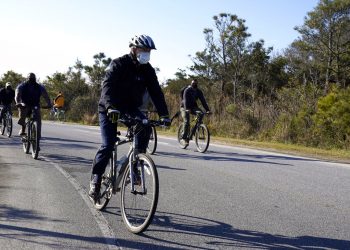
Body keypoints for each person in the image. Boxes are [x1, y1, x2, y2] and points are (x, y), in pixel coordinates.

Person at [89, 34, 171, 200]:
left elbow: (156, 92)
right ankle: (96, 180)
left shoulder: (148, 70)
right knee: (108, 144)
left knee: (146, 126)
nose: (147, 53)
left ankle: (135, 164)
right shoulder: (118, 64)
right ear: (134, 49)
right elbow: (107, 87)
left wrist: (164, 114)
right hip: (109, 107)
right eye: (144, 49)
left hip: (130, 108)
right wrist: (111, 107)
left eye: (149, 51)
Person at [15, 73, 52, 139]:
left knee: (38, 120)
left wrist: (49, 104)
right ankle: (23, 130)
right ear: (27, 79)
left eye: (33, 79)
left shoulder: (39, 87)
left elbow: (46, 96)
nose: (31, 80)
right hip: (25, 104)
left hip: (35, 104)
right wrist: (18, 103)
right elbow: (17, 95)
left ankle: (38, 137)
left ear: (35, 79)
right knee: (23, 114)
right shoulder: (22, 86)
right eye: (30, 79)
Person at [180, 79, 210, 145]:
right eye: (193, 83)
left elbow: (203, 101)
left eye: (196, 83)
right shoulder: (187, 90)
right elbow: (185, 100)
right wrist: (186, 109)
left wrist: (207, 110)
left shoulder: (198, 91)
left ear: (197, 84)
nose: (194, 84)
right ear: (191, 83)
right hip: (184, 107)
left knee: (201, 113)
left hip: (193, 107)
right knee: (187, 121)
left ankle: (194, 131)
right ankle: (184, 138)